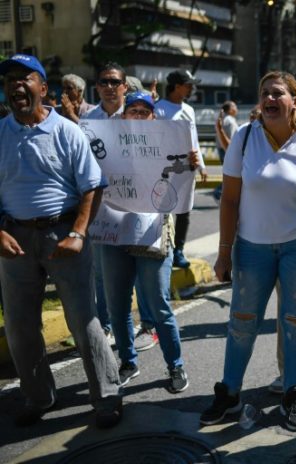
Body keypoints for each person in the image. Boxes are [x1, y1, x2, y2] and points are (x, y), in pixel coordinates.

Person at [199, 71, 296, 431]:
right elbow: (229, 200)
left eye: (278, 93)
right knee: (242, 322)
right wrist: (224, 251)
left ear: (295, 100)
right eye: (265, 93)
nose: (270, 99)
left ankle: (292, 393)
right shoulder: (244, 138)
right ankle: (229, 393)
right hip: (252, 248)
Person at [0, 53, 122, 428]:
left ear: (43, 87)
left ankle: (107, 398)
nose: (16, 85)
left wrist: (77, 233)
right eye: (9, 80)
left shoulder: (67, 131)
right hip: (13, 240)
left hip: (63, 235)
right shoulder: (0, 132)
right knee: (20, 327)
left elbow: (92, 186)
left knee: (84, 321)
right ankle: (38, 397)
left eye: (24, 78)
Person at [98, 91, 194, 393]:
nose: (138, 114)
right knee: (117, 303)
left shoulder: (168, 144)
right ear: (123, 116)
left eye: (145, 110)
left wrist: (188, 164)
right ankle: (128, 361)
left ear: (154, 117)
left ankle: (175, 365)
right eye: (133, 110)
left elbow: (180, 180)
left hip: (152, 234)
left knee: (158, 302)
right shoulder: (107, 146)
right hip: (114, 234)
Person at [81, 62, 129, 343]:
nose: (109, 87)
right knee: (100, 271)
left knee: (136, 270)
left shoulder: (139, 116)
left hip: (134, 204)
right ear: (96, 87)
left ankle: (144, 324)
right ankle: (107, 326)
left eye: (115, 82)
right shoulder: (86, 121)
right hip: (101, 206)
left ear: (124, 86)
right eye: (104, 82)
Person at [155, 69, 208, 268]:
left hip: (187, 168)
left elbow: (194, 139)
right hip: (165, 168)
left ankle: (179, 250)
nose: (192, 88)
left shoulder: (189, 109)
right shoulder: (158, 109)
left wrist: (201, 165)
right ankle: (161, 246)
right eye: (188, 84)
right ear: (177, 86)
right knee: (163, 208)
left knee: (184, 211)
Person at [213, 101, 239, 202]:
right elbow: (233, 140)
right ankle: (218, 192)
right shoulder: (230, 121)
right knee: (233, 174)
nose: (237, 109)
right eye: (235, 106)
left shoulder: (223, 119)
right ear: (231, 109)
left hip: (222, 149)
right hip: (228, 150)